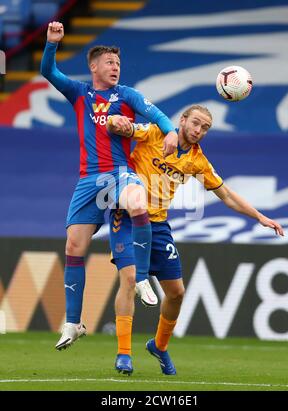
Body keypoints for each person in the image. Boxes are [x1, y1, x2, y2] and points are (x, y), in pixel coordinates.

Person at [40, 21, 178, 373]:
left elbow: (156, 112)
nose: (115, 68)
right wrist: (52, 44)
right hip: (88, 180)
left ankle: (143, 274)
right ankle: (74, 321)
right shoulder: (80, 94)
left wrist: (170, 130)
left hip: (119, 172)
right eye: (110, 63)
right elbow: (47, 71)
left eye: (118, 63)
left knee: (136, 203)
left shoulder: (127, 95)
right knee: (73, 245)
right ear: (94, 67)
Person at [107, 105, 284, 375]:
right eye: (196, 123)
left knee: (177, 293)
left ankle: (159, 346)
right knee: (130, 278)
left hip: (158, 224)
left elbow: (225, 194)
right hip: (129, 216)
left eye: (205, 128)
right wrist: (116, 122)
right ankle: (124, 353)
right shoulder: (155, 133)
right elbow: (127, 129)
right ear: (183, 120)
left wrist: (259, 216)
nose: (198, 130)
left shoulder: (197, 161)